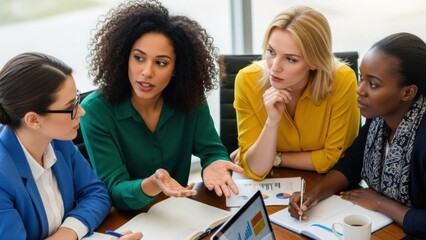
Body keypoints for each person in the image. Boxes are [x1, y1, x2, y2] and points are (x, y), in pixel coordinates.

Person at [80, 0, 243, 211]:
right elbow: (114, 191)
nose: (147, 72)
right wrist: (153, 184)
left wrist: (214, 164)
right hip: (128, 221)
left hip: (181, 212)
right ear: (124, 58)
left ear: (177, 68)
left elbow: (212, 152)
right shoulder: (95, 111)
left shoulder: (190, 97)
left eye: (161, 63)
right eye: (139, 58)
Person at [288, 32, 426, 238]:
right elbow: (351, 164)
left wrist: (380, 203)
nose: (359, 90)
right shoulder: (378, 118)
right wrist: (313, 196)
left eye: (373, 84)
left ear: (407, 92)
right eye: (362, 78)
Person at [0, 52, 143, 239]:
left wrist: (68, 232)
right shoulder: (3, 175)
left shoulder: (59, 142)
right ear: (34, 120)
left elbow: (96, 194)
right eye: (71, 107)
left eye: (77, 100)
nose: (81, 111)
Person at [233, 5, 360, 180]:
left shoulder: (342, 80)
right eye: (271, 52)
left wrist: (276, 158)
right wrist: (272, 122)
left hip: (324, 187)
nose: (274, 67)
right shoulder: (247, 80)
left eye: (291, 59)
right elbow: (255, 169)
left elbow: (332, 159)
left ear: (315, 61)